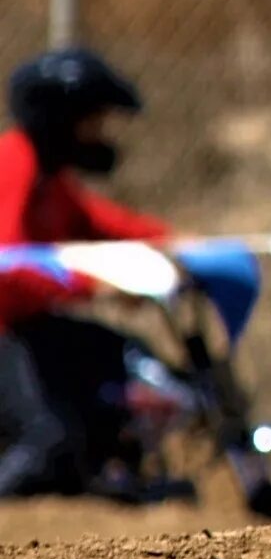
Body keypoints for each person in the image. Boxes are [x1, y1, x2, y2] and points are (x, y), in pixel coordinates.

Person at [0, 47, 171, 497]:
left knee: (125, 361)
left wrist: (175, 244)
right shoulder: (13, 165)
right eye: (92, 121)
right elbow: (9, 264)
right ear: (61, 120)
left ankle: (113, 469)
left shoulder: (50, 179)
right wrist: (93, 284)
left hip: (30, 327)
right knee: (48, 440)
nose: (101, 133)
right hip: (6, 330)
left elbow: (102, 223)